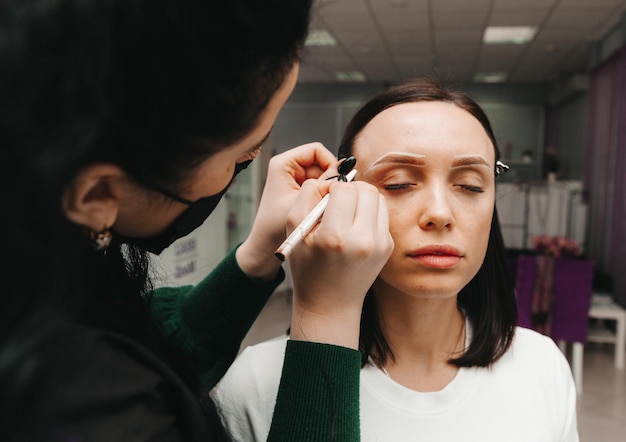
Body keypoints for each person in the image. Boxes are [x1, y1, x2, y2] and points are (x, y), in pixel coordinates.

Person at [0, 1, 393, 440]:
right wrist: (327, 314)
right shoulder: (76, 407)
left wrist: (258, 254)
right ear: (98, 195)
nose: (437, 213)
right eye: (241, 152)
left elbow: (151, 342)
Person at [212, 78, 579, 441]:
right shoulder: (257, 383)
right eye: (399, 183)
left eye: (469, 185)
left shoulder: (541, 367)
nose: (439, 213)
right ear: (339, 194)